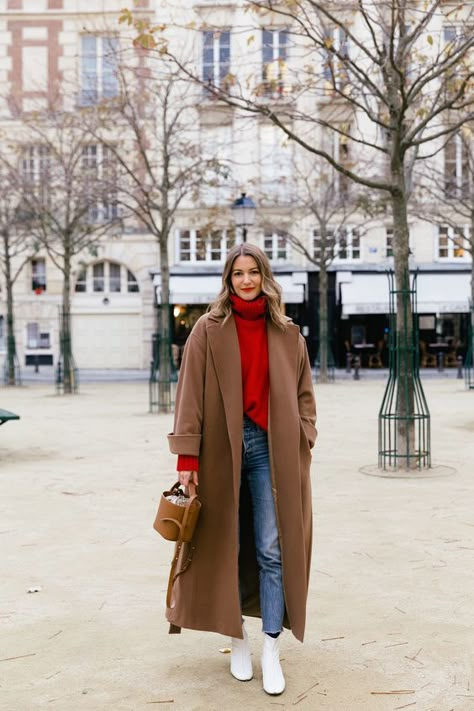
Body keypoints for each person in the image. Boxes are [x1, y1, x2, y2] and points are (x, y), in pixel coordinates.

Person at [167, 243, 317, 695]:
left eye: (254, 272)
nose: (247, 280)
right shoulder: (207, 332)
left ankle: (271, 646)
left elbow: (305, 396)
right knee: (225, 545)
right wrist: (187, 458)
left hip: (274, 451)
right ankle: (238, 639)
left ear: (265, 277)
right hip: (220, 452)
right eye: (238, 273)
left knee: (272, 548)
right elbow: (189, 397)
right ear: (228, 280)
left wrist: (302, 436)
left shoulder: (289, 334)